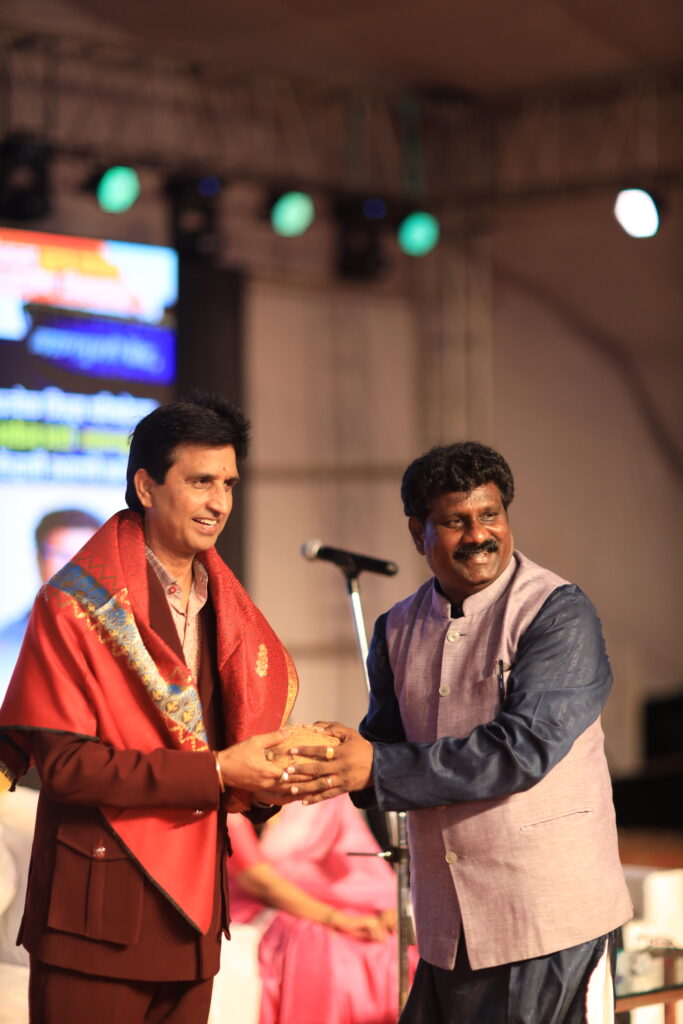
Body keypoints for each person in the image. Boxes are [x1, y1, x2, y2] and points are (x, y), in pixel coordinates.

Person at [286, 442, 633, 1023]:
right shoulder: (396, 627)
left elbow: (521, 751)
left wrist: (375, 766)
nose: (478, 535)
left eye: (490, 515)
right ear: (416, 532)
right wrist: (325, 760)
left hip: (548, 915)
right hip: (447, 920)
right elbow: (383, 750)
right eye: (455, 521)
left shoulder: (558, 612)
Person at [0, 392, 302, 1024]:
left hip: (194, 917)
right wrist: (219, 770)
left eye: (228, 484)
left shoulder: (226, 606)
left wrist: (277, 772)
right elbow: (68, 770)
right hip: (96, 913)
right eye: (200, 482)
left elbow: (233, 737)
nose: (219, 502)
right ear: (146, 485)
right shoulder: (74, 604)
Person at [227, 796, 418, 1024]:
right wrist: (336, 919)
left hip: (329, 896)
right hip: (258, 901)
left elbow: (357, 855)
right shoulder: (233, 802)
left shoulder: (322, 798)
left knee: (386, 943)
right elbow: (257, 880)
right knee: (317, 942)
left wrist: (387, 904)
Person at [0, 508, 101, 698]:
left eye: (85, 557)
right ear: (39, 560)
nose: (73, 569)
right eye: (62, 555)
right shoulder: (5, 645)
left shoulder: (132, 644)